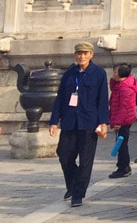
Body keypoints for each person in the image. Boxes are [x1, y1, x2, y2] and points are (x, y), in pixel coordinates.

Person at [49, 41, 109, 207]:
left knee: (85, 161)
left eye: (85, 53)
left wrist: (103, 122)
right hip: (69, 121)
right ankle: (74, 184)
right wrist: (54, 121)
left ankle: (78, 194)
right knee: (64, 154)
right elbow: (60, 98)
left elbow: (103, 99)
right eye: (78, 53)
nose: (81, 56)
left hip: (89, 122)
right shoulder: (69, 73)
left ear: (91, 55)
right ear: (75, 55)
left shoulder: (99, 73)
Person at [108, 63, 137, 179]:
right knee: (121, 142)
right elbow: (113, 87)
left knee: (121, 144)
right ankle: (123, 166)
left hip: (123, 120)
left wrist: (118, 122)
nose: (113, 74)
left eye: (115, 72)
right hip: (122, 118)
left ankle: (123, 167)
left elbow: (123, 107)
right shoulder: (120, 85)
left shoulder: (125, 88)